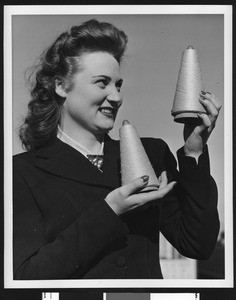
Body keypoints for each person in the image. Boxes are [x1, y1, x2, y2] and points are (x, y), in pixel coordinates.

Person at [13, 19, 221, 280]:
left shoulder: (152, 154)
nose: (117, 96)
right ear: (61, 86)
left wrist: (194, 152)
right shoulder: (20, 172)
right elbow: (24, 278)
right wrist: (109, 210)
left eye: (118, 84)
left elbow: (198, 245)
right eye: (102, 83)